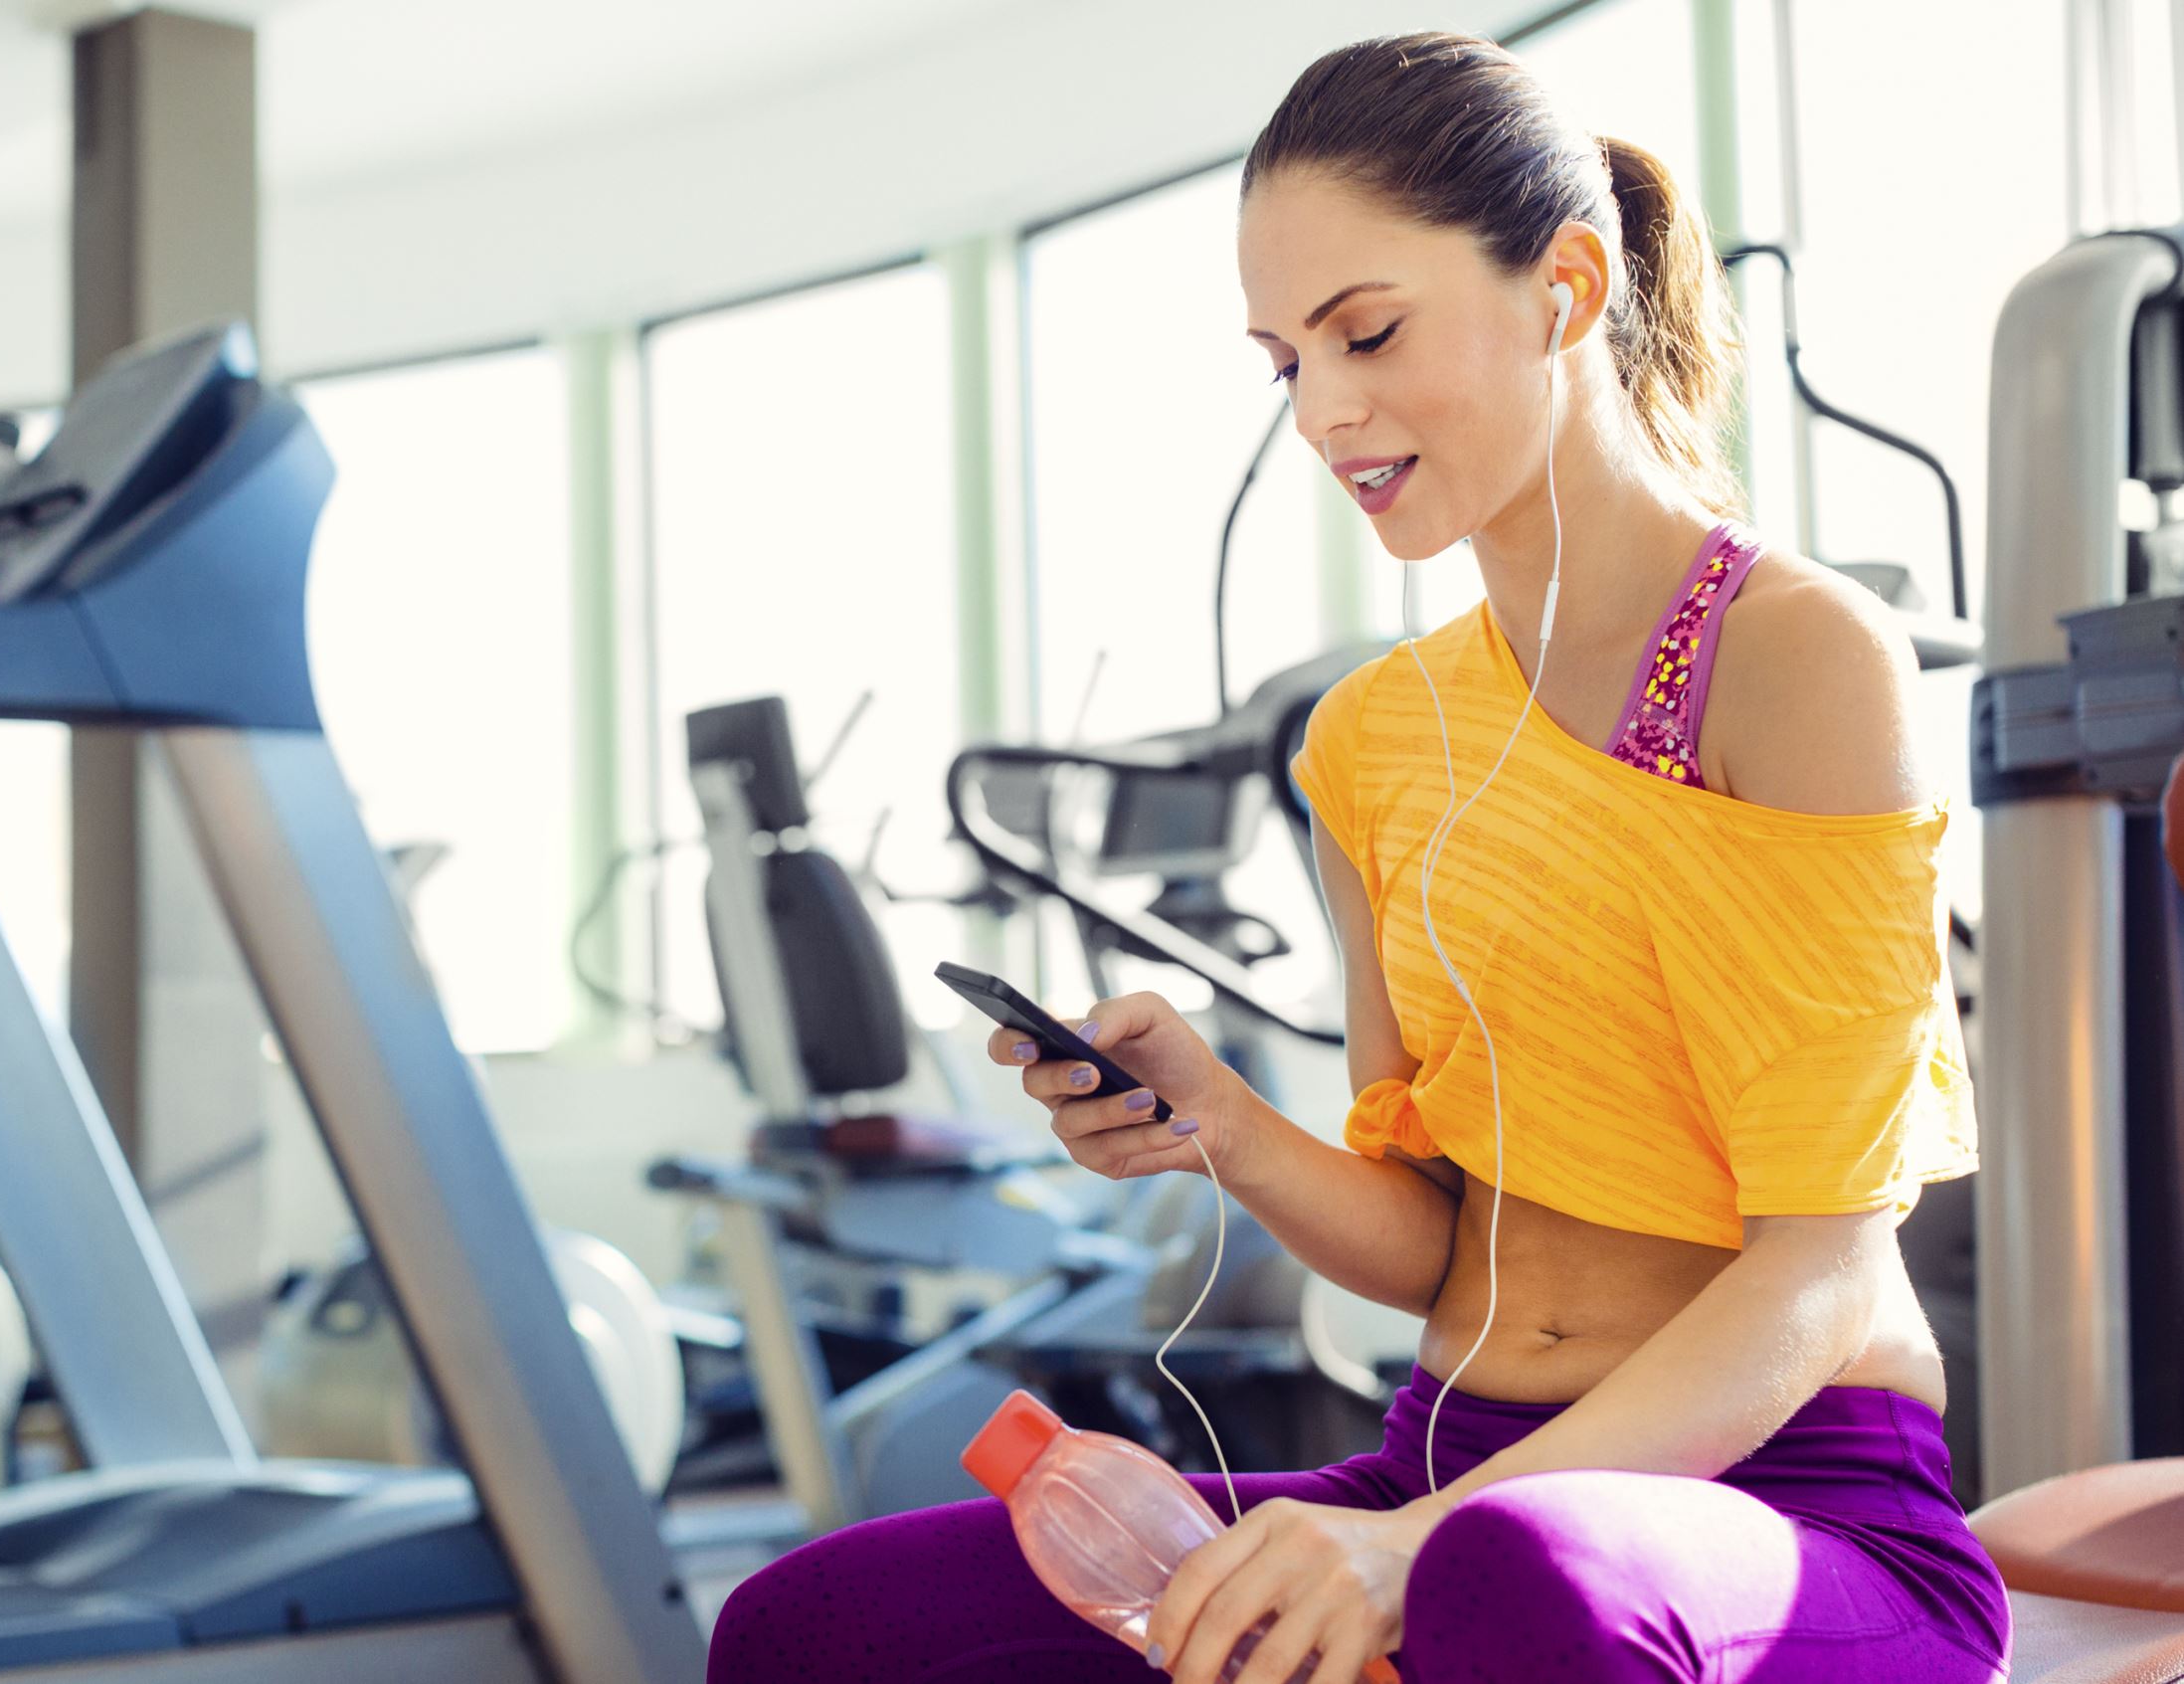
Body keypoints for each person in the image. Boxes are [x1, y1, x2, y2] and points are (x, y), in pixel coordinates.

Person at [709, 30, 2010, 1684]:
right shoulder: (1373, 740)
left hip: (1793, 1508)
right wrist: (1225, 1131)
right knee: (815, 1627)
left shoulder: (1798, 656)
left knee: (1515, 1584)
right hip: (1446, 1473)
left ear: (1568, 286)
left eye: (1368, 332)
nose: (1327, 411)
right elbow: (1440, 1245)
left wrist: (1419, 1551)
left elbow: (1826, 1269)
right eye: (1283, 361)